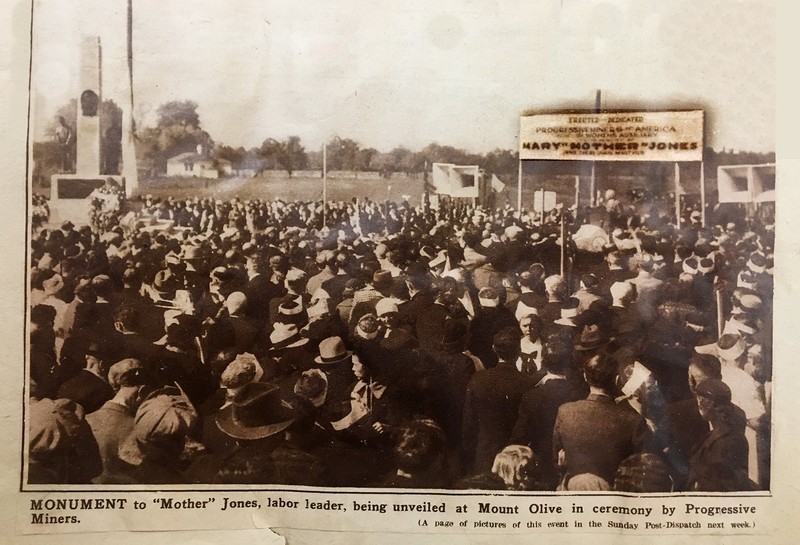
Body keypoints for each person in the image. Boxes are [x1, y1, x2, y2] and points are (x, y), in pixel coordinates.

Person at [553, 353, 644, 489]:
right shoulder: (633, 419)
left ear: (585, 377)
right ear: (617, 380)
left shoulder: (565, 411)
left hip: (572, 491)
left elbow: (557, 458)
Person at [461, 327, 536, 474]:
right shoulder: (527, 382)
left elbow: (468, 423)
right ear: (519, 352)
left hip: (484, 454)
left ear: (494, 349)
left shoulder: (478, 379)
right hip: (515, 459)